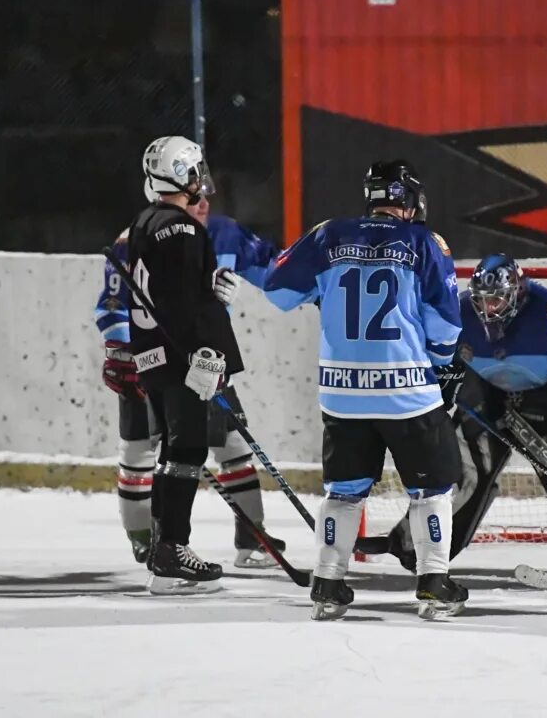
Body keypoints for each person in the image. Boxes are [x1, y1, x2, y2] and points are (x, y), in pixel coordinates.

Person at [263, 160, 467, 621]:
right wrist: (438, 364)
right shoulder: (424, 242)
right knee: (432, 488)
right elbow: (446, 324)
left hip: (342, 392)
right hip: (407, 390)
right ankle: (434, 579)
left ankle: (328, 582)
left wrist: (320, 293)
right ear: (410, 200)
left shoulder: (328, 234)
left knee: (344, 490)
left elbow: (276, 290)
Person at [359, 254, 547, 576]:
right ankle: (415, 545)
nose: (490, 308)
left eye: (498, 299)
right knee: (466, 465)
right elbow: (443, 354)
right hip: (492, 390)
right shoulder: (461, 311)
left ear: (517, 292)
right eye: (484, 300)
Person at [95, 171, 285, 570]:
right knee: (139, 454)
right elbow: (112, 304)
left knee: (232, 446)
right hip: (152, 362)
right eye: (192, 193)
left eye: (203, 194)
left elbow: (278, 270)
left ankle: (250, 538)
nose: (201, 203)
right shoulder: (136, 238)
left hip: (204, 361)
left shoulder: (223, 234)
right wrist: (120, 351)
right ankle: (148, 543)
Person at [123, 135, 245, 594]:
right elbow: (178, 303)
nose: (200, 179)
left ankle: (164, 550)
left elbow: (171, 293)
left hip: (155, 355)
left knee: (175, 452)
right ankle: (172, 549)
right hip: (181, 359)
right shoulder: (181, 227)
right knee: (187, 450)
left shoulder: (145, 222)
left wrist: (208, 292)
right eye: (194, 169)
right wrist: (208, 352)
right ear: (183, 173)